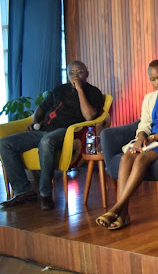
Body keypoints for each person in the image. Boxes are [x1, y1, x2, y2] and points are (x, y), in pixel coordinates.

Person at [96, 60, 158, 230]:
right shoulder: (149, 98)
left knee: (140, 160)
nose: (157, 83)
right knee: (126, 158)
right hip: (149, 140)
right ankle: (123, 214)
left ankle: (117, 208)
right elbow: (144, 123)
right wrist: (140, 138)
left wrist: (151, 139)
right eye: (153, 79)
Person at [0, 61, 104, 210]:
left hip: (67, 131)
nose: (75, 76)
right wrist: (35, 121)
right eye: (72, 73)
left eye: (79, 72)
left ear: (87, 74)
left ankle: (45, 194)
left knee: (46, 142)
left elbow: (89, 116)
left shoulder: (93, 92)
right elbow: (41, 108)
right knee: (4, 143)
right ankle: (23, 190)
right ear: (67, 75)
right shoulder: (59, 89)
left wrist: (80, 89)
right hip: (44, 129)